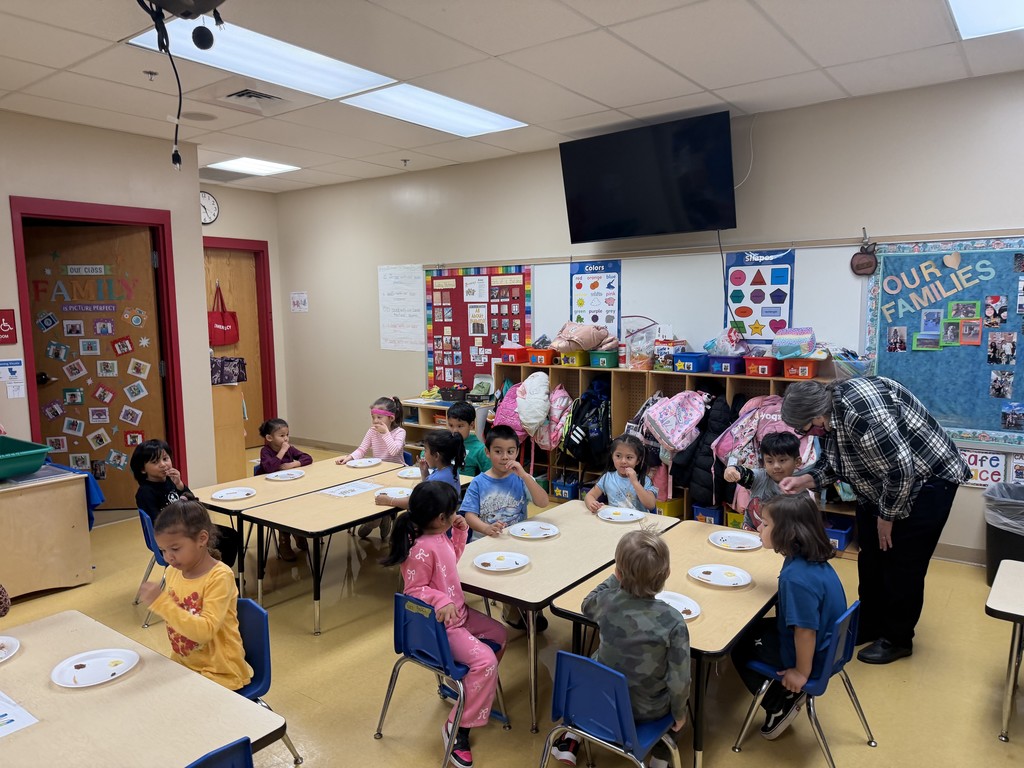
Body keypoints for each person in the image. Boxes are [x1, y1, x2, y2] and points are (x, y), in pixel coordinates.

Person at [779, 377, 969, 664]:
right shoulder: (830, 414)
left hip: (928, 480)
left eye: (804, 428)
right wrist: (805, 478)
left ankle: (897, 638)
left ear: (817, 415)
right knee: (871, 556)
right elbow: (836, 461)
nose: (805, 433)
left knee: (903, 563)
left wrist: (887, 516)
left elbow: (901, 470)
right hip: (881, 485)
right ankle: (870, 623)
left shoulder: (862, 415)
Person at [381, 483, 506, 768]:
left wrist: (460, 531)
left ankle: (469, 690)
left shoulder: (439, 536)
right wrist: (439, 600)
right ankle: (457, 727)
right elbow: (414, 592)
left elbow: (452, 559)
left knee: (499, 634)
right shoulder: (420, 549)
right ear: (440, 517)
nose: (456, 513)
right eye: (453, 511)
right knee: (485, 661)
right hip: (438, 628)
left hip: (457, 617)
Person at [551, 530, 689, 767]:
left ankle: (572, 735)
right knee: (679, 694)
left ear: (618, 573)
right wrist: (680, 714)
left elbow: (587, 602)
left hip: (599, 700)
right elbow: (679, 681)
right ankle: (659, 759)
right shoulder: (673, 621)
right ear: (666, 575)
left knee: (596, 658)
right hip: (647, 710)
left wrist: (617, 577)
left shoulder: (606, 602)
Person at [730, 495, 847, 740]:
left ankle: (778, 704)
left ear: (788, 533)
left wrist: (801, 673)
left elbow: (805, 632)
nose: (759, 528)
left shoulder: (796, 578)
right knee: (751, 628)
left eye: (765, 524)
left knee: (736, 644)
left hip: (814, 655)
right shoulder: (809, 559)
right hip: (831, 643)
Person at [137, 500, 253, 690]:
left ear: (202, 539)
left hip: (219, 672)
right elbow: (180, 617)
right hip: (185, 665)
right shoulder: (174, 571)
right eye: (163, 551)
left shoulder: (219, 577)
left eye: (175, 549)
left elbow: (204, 632)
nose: (168, 558)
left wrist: (160, 603)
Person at [460, 424, 549, 630]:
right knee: (511, 574)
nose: (504, 457)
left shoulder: (520, 479)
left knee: (536, 566)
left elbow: (543, 502)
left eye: (510, 452)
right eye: (498, 451)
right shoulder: (479, 483)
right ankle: (514, 614)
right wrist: (485, 528)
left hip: (518, 541)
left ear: (517, 452)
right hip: (488, 545)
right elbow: (469, 515)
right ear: (488, 452)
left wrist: (525, 475)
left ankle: (529, 608)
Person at [132, 439, 239, 568]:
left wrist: (180, 485)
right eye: (155, 462)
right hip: (172, 536)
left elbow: (193, 503)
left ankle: (219, 572)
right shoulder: (145, 492)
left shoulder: (170, 481)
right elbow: (157, 524)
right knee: (220, 540)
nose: (163, 465)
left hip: (189, 527)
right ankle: (209, 573)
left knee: (231, 535)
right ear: (143, 469)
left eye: (165, 459)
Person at [337, 396, 407, 540]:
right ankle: (378, 519)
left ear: (391, 418)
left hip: (396, 474)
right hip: (378, 472)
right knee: (366, 492)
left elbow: (394, 451)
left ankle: (381, 518)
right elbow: (362, 449)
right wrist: (349, 457)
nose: (375, 421)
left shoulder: (400, 432)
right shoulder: (372, 431)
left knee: (384, 495)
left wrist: (385, 434)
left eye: (379, 417)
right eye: (373, 417)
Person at [723, 431, 804, 531]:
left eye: (782, 460)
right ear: (764, 463)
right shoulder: (761, 477)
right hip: (750, 535)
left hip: (781, 540)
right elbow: (745, 474)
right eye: (770, 461)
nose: (776, 466)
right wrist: (733, 470)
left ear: (797, 462)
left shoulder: (801, 486)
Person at [257, 418, 313, 561]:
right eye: (281, 436)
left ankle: (298, 532)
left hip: (289, 487)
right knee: (283, 511)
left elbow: (307, 457)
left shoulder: (289, 448)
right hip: (270, 492)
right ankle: (284, 541)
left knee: (299, 505)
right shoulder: (266, 451)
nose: (286, 438)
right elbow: (270, 468)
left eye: (287, 434)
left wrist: (294, 464)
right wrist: (282, 452)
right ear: (269, 438)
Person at [375, 429, 465, 509]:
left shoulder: (436, 480)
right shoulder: (451, 470)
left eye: (425, 450)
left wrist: (389, 500)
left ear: (436, 456)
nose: (424, 454)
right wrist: (424, 472)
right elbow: (429, 491)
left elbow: (413, 503)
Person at [583, 433, 657, 513]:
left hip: (638, 523)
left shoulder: (644, 480)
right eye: (618, 456)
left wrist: (635, 482)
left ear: (638, 461)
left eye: (629, 457)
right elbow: (589, 496)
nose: (623, 461)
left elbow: (651, 505)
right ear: (612, 456)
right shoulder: (608, 477)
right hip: (616, 520)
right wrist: (592, 504)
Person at [446, 401, 490, 476]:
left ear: (471, 425)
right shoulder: (445, 442)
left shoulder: (480, 449)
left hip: (466, 486)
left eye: (460, 426)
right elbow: (426, 455)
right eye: (451, 425)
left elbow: (489, 475)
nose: (454, 431)